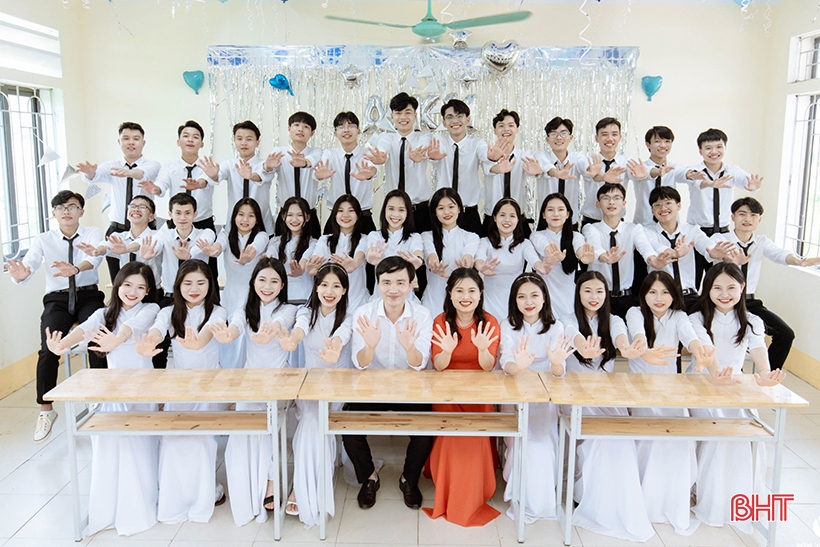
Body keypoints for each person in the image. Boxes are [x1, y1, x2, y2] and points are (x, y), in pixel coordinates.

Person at [45, 262, 160, 536]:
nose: (133, 292)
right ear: (117, 285)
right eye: (128, 285)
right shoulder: (103, 313)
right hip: (114, 388)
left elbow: (132, 327)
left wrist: (116, 340)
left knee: (140, 446)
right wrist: (61, 345)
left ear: (147, 291)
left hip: (143, 388)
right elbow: (84, 330)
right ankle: (113, 503)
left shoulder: (151, 309)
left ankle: (144, 500)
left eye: (140, 287)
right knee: (111, 444)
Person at [687, 262, 786, 533]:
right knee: (720, 432)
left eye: (731, 288)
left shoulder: (752, 321)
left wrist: (765, 375)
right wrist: (718, 376)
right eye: (717, 288)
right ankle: (706, 493)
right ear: (707, 290)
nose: (724, 294)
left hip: (736, 385)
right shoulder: (696, 319)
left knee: (749, 433)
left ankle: (737, 497)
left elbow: (758, 351)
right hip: (702, 384)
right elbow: (706, 350)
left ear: (742, 288)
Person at [5, 190, 107, 442]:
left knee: (97, 339)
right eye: (61, 208)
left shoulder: (93, 232)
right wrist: (20, 276)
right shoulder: (43, 239)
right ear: (54, 213)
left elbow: (94, 257)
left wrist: (76, 269)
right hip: (57, 299)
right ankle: (46, 409)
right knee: (48, 347)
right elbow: (30, 263)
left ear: (81, 211)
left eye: (72, 207)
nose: (66, 212)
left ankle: (99, 398)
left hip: (88, 295)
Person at [561, 271, 655, 543]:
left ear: (606, 295)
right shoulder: (567, 320)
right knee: (598, 440)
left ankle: (615, 500)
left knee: (620, 438)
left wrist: (627, 349)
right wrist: (584, 348)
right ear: (578, 293)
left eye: (599, 291)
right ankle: (586, 495)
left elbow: (621, 339)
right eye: (587, 291)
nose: (594, 297)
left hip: (606, 396)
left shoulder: (614, 321)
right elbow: (575, 338)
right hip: (575, 395)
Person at [136, 259, 228, 523]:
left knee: (200, 440)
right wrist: (150, 341)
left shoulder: (218, 311)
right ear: (178, 285)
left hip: (210, 384)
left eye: (201, 283)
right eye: (188, 283)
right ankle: (175, 496)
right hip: (178, 386)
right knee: (172, 438)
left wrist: (198, 342)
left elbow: (208, 333)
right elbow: (156, 330)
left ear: (210, 285)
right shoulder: (169, 312)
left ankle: (206, 492)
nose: (194, 289)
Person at [624, 271, 713, 535]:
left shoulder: (679, 317)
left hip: (672, 392)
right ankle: (644, 498)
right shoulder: (634, 313)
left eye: (665, 292)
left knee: (681, 439)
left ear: (674, 295)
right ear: (644, 295)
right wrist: (645, 352)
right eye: (652, 292)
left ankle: (674, 499)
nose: (659, 298)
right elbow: (638, 336)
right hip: (641, 392)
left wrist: (699, 352)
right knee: (650, 439)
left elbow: (690, 337)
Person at [211, 258, 297, 526]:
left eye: (274, 281)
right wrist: (228, 335)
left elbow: (281, 322)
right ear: (253, 282)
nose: (267, 286)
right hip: (250, 381)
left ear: (282, 285)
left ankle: (270, 482)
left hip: (278, 380)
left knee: (269, 432)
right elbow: (235, 326)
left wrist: (272, 330)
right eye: (262, 280)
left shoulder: (289, 310)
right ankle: (247, 487)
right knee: (242, 435)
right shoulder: (244, 310)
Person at [344, 257, 434, 510]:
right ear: (378, 284)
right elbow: (360, 363)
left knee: (427, 429)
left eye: (400, 282)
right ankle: (369, 477)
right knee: (347, 427)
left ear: (410, 285)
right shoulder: (364, 313)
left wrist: (409, 348)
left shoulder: (422, 315)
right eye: (386, 282)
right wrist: (370, 346)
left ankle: (409, 479)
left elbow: (419, 363)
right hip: (372, 387)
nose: (393, 289)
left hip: (410, 388)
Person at [277, 262, 353, 527]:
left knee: (314, 423)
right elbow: (300, 329)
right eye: (324, 285)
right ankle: (307, 486)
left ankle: (301, 490)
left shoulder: (348, 316)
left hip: (337, 387)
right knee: (311, 422)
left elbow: (342, 335)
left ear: (344, 290)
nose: (329, 291)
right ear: (316, 287)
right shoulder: (306, 313)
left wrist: (335, 347)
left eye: (336, 286)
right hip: (309, 385)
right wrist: (292, 340)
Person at [423, 268, 500, 526]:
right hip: (447, 391)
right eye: (459, 290)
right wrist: (446, 350)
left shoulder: (490, 322)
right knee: (452, 435)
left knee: (474, 435)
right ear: (450, 294)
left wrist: (482, 349)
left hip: (479, 392)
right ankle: (447, 488)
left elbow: (488, 367)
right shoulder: (440, 321)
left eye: (471, 291)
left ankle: (475, 490)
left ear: (480, 294)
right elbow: (439, 366)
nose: (465, 296)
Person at [711, 197, 820, 370]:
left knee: (785, 334)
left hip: (749, 302)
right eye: (742, 214)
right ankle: (732, 374)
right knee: (730, 340)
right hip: (722, 302)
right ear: (732, 217)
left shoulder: (762, 241)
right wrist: (730, 260)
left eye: (753, 215)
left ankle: (768, 376)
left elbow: (779, 254)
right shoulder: (720, 239)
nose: (748, 219)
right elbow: (714, 253)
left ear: (759, 219)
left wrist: (799, 261)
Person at [499, 273, 573, 523]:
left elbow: (559, 372)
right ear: (514, 300)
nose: (528, 302)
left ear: (544, 299)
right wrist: (518, 366)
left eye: (534, 295)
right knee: (523, 443)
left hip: (546, 396)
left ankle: (542, 496)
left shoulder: (556, 327)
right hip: (515, 392)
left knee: (543, 444)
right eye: (521, 297)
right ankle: (521, 495)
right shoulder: (507, 325)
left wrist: (556, 363)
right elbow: (506, 363)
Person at [366, 92, 432, 295]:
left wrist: (417, 155)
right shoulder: (386, 138)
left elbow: (423, 148)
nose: (403, 117)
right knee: (384, 253)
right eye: (398, 113)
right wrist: (379, 160)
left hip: (419, 210)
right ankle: (381, 295)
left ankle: (423, 300)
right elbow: (382, 151)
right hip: (395, 211)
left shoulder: (424, 137)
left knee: (420, 262)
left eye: (408, 112)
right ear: (392, 116)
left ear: (415, 115)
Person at [76, 121, 161, 281]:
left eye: (136, 138)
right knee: (118, 280)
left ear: (143, 142)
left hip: (144, 229)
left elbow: (143, 173)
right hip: (117, 229)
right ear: (119, 142)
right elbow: (95, 176)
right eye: (126, 138)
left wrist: (128, 172)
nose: (131, 142)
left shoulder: (153, 165)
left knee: (147, 276)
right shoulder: (112, 166)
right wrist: (89, 173)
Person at [139, 193, 215, 368]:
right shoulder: (164, 234)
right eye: (178, 213)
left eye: (187, 213)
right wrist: (148, 254)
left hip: (198, 300)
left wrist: (189, 254)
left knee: (200, 342)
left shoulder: (206, 232)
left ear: (195, 214)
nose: (182, 217)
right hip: (171, 297)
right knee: (160, 346)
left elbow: (203, 244)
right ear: (170, 214)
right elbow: (156, 245)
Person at [139, 120, 220, 280]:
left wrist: (199, 184)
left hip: (203, 224)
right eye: (186, 136)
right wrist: (156, 189)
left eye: (195, 137)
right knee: (176, 269)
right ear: (178, 142)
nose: (190, 140)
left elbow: (208, 180)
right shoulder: (169, 168)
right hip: (177, 224)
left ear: (202, 144)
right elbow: (161, 183)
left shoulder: (208, 167)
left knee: (208, 272)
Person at [682, 128, 762, 286]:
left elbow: (744, 179)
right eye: (708, 148)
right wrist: (710, 183)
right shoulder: (695, 171)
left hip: (723, 233)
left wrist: (752, 186)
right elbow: (697, 182)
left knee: (721, 280)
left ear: (725, 148)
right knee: (693, 280)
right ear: (700, 151)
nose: (714, 152)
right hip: (697, 232)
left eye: (719, 147)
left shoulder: (732, 171)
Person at [196, 198, 269, 369]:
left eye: (251, 216)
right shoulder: (225, 235)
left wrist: (249, 256)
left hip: (253, 295)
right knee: (228, 336)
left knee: (249, 337)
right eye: (241, 215)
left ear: (257, 219)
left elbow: (256, 247)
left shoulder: (262, 236)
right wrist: (211, 251)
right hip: (231, 295)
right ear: (234, 216)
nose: (245, 220)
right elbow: (217, 247)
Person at [582, 183, 669, 318]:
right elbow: (595, 245)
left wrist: (652, 259)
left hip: (627, 299)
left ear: (624, 203)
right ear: (598, 204)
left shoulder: (633, 229)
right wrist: (604, 257)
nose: (611, 202)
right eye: (606, 198)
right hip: (599, 298)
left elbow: (644, 246)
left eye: (617, 198)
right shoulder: (590, 228)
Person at [643, 186, 733, 311]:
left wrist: (713, 252)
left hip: (689, 297)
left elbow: (705, 243)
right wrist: (674, 253)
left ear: (679, 206)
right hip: (660, 298)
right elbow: (656, 247)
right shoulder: (645, 232)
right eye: (657, 205)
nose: (663, 208)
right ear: (652, 210)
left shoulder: (691, 230)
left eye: (668, 203)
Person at [75, 195, 162, 299]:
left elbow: (139, 244)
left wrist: (126, 249)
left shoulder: (158, 235)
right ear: (127, 214)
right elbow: (105, 246)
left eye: (142, 207)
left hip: (151, 293)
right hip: (126, 294)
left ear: (151, 217)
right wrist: (97, 251)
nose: (136, 209)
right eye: (132, 206)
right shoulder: (119, 236)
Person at [257, 112, 323, 238]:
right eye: (296, 125)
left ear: (312, 133)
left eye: (306, 127)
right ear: (289, 128)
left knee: (313, 248)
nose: (300, 129)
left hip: (309, 215)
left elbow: (314, 159)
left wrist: (304, 163)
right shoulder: (279, 152)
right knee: (281, 248)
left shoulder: (317, 152)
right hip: (285, 215)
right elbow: (265, 175)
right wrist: (267, 166)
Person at [201, 120, 275, 233]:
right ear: (234, 141)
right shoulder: (229, 164)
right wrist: (214, 175)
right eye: (239, 139)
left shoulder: (265, 164)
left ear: (257, 143)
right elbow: (218, 176)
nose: (244, 143)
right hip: (234, 227)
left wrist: (250, 176)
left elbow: (262, 174)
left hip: (262, 225)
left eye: (249, 139)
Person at [475, 198, 543, 319]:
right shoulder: (485, 242)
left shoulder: (524, 244)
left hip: (516, 302)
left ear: (518, 219)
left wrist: (542, 267)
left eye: (512, 216)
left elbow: (535, 260)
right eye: (502, 215)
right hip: (490, 303)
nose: (507, 220)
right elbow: (479, 259)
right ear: (494, 217)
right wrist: (481, 267)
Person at [530, 193, 595, 318]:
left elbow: (579, 248)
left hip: (569, 299)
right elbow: (544, 245)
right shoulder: (537, 236)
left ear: (567, 214)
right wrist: (552, 254)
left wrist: (583, 256)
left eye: (560, 210)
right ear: (543, 214)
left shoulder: (576, 236)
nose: (556, 214)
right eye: (550, 210)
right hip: (544, 298)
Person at [575, 117, 649, 227]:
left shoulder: (627, 162)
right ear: (596, 138)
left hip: (617, 222)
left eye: (614, 134)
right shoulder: (588, 160)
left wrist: (644, 175)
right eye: (604, 134)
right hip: (591, 222)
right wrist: (603, 177)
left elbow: (642, 173)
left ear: (620, 137)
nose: (610, 139)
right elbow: (592, 173)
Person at [427, 99, 486, 234]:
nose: (455, 121)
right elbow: (431, 153)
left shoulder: (477, 144)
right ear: (444, 123)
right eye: (450, 117)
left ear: (467, 120)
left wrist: (492, 157)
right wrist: (432, 156)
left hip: (468, 213)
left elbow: (485, 155)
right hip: (443, 214)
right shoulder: (439, 141)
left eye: (459, 116)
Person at [313, 111, 378, 235]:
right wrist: (319, 175)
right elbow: (320, 171)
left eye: (351, 126)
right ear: (335, 133)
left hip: (363, 216)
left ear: (358, 131)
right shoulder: (330, 153)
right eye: (341, 127)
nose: (346, 130)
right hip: (337, 216)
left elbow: (374, 169)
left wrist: (370, 173)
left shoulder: (368, 153)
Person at [481, 109, 542, 237]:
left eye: (511, 125)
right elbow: (489, 168)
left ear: (517, 129)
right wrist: (498, 167)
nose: (506, 129)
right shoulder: (487, 154)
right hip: (492, 219)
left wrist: (536, 172)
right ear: (494, 130)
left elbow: (534, 171)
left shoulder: (524, 155)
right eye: (501, 126)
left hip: (518, 219)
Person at [421, 188, 479, 315]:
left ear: (459, 208)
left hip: (461, 303)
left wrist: (465, 265)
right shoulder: (426, 236)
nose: (446, 212)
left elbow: (468, 255)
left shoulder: (471, 237)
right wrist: (434, 265)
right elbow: (431, 255)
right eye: (441, 208)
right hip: (433, 302)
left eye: (451, 207)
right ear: (435, 212)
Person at [306, 195, 368, 312]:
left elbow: (360, 255)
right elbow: (317, 256)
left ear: (358, 215)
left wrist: (354, 264)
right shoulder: (325, 240)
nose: (345, 215)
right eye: (340, 211)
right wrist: (312, 266)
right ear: (334, 215)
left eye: (351, 211)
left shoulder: (364, 239)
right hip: (330, 303)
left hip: (357, 302)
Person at [366, 189, 423, 297]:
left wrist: (418, 261)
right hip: (380, 298)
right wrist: (370, 257)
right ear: (384, 210)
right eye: (391, 209)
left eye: (401, 210)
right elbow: (370, 252)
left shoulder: (414, 237)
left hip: (407, 298)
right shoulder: (374, 235)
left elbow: (418, 253)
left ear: (408, 213)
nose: (395, 214)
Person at [534, 117, 585, 226]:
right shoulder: (541, 155)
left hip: (571, 223)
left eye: (563, 133)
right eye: (553, 134)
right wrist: (556, 173)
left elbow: (584, 165)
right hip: (546, 224)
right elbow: (546, 167)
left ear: (571, 137)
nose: (559, 137)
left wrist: (593, 171)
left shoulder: (577, 157)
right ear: (547, 139)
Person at [633, 126, 687, 227]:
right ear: (648, 144)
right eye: (657, 141)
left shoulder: (673, 167)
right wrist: (658, 172)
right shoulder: (640, 168)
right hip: (645, 223)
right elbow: (648, 172)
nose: (663, 145)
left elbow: (684, 173)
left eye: (667, 141)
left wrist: (692, 174)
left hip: (670, 225)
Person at [267, 196, 317, 304]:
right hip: (280, 299)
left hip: (305, 299)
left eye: (300, 215)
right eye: (290, 215)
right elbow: (271, 254)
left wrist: (301, 269)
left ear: (307, 217)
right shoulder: (274, 242)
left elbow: (306, 257)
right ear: (283, 216)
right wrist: (267, 259)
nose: (294, 220)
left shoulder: (314, 243)